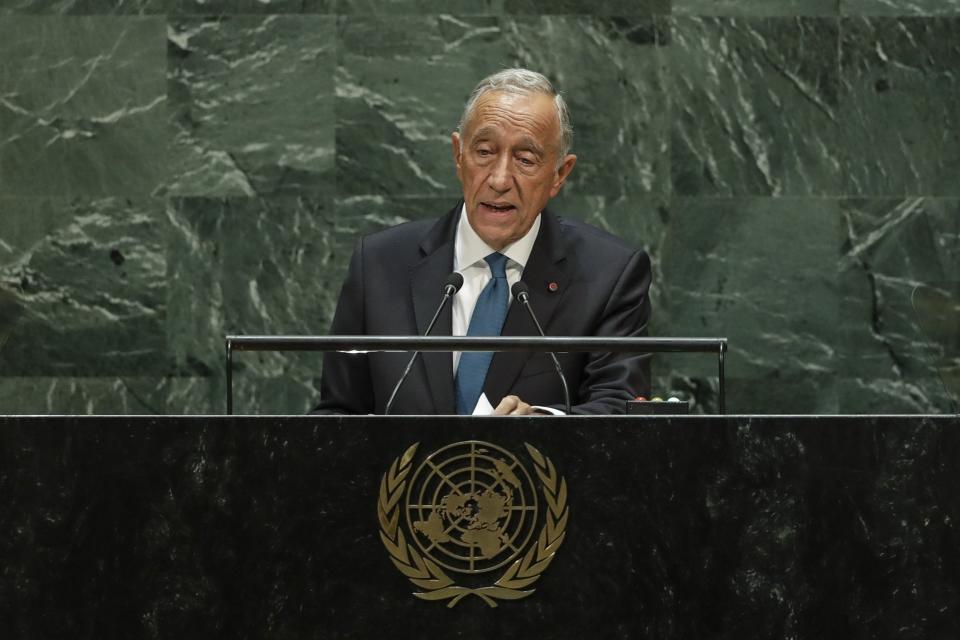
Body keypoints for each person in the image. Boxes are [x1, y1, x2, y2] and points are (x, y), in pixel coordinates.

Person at [315, 68, 651, 415]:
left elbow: (621, 409)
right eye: (485, 152)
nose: (500, 179)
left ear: (559, 175)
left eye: (525, 160)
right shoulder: (380, 264)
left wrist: (545, 424)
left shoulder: (609, 275)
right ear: (458, 154)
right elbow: (336, 415)